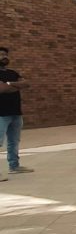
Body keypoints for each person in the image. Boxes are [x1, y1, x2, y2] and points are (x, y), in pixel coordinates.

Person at [0, 47, 32, 180]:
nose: (4, 56)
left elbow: (26, 83)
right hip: (1, 114)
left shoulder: (13, 72)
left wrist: (9, 84)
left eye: (5, 54)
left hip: (15, 112)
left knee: (14, 141)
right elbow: (2, 89)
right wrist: (17, 86)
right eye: (1, 54)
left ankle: (14, 166)